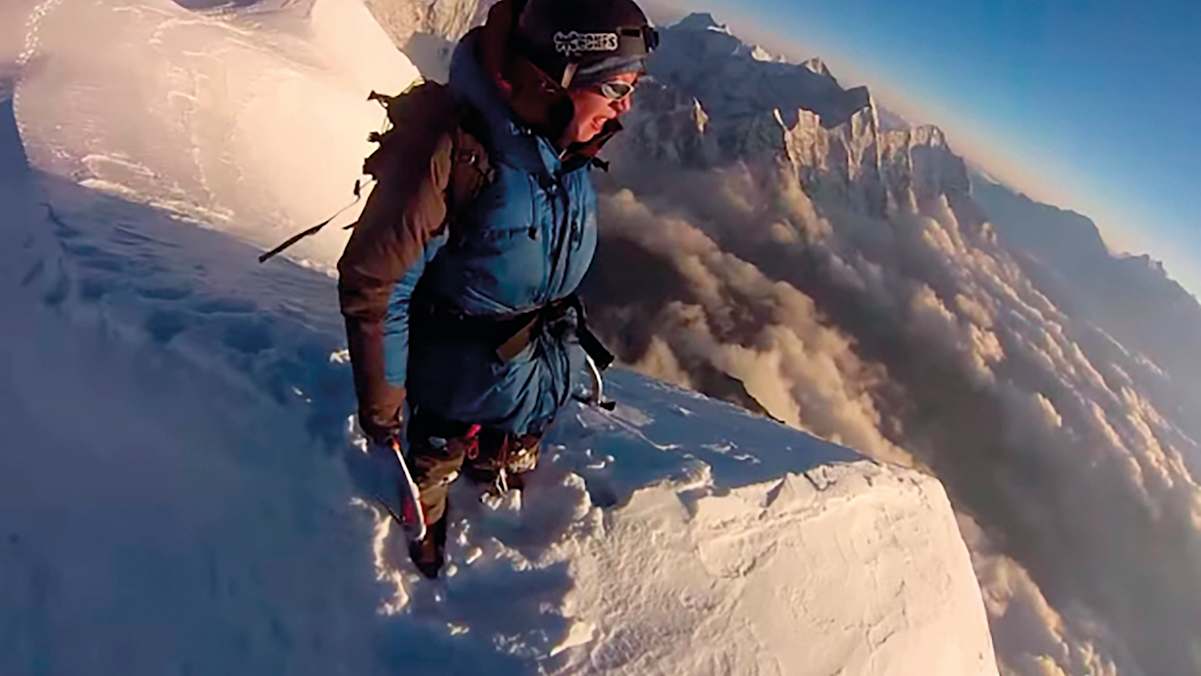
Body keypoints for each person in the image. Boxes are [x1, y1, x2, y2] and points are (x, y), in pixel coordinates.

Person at [337, 0, 658, 578]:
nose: (625, 108)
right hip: (455, 385)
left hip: (531, 369)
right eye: (615, 89)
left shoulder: (563, 146)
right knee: (427, 499)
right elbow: (377, 282)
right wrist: (384, 416)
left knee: (508, 444)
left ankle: (500, 452)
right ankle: (420, 536)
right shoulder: (459, 153)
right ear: (558, 80)